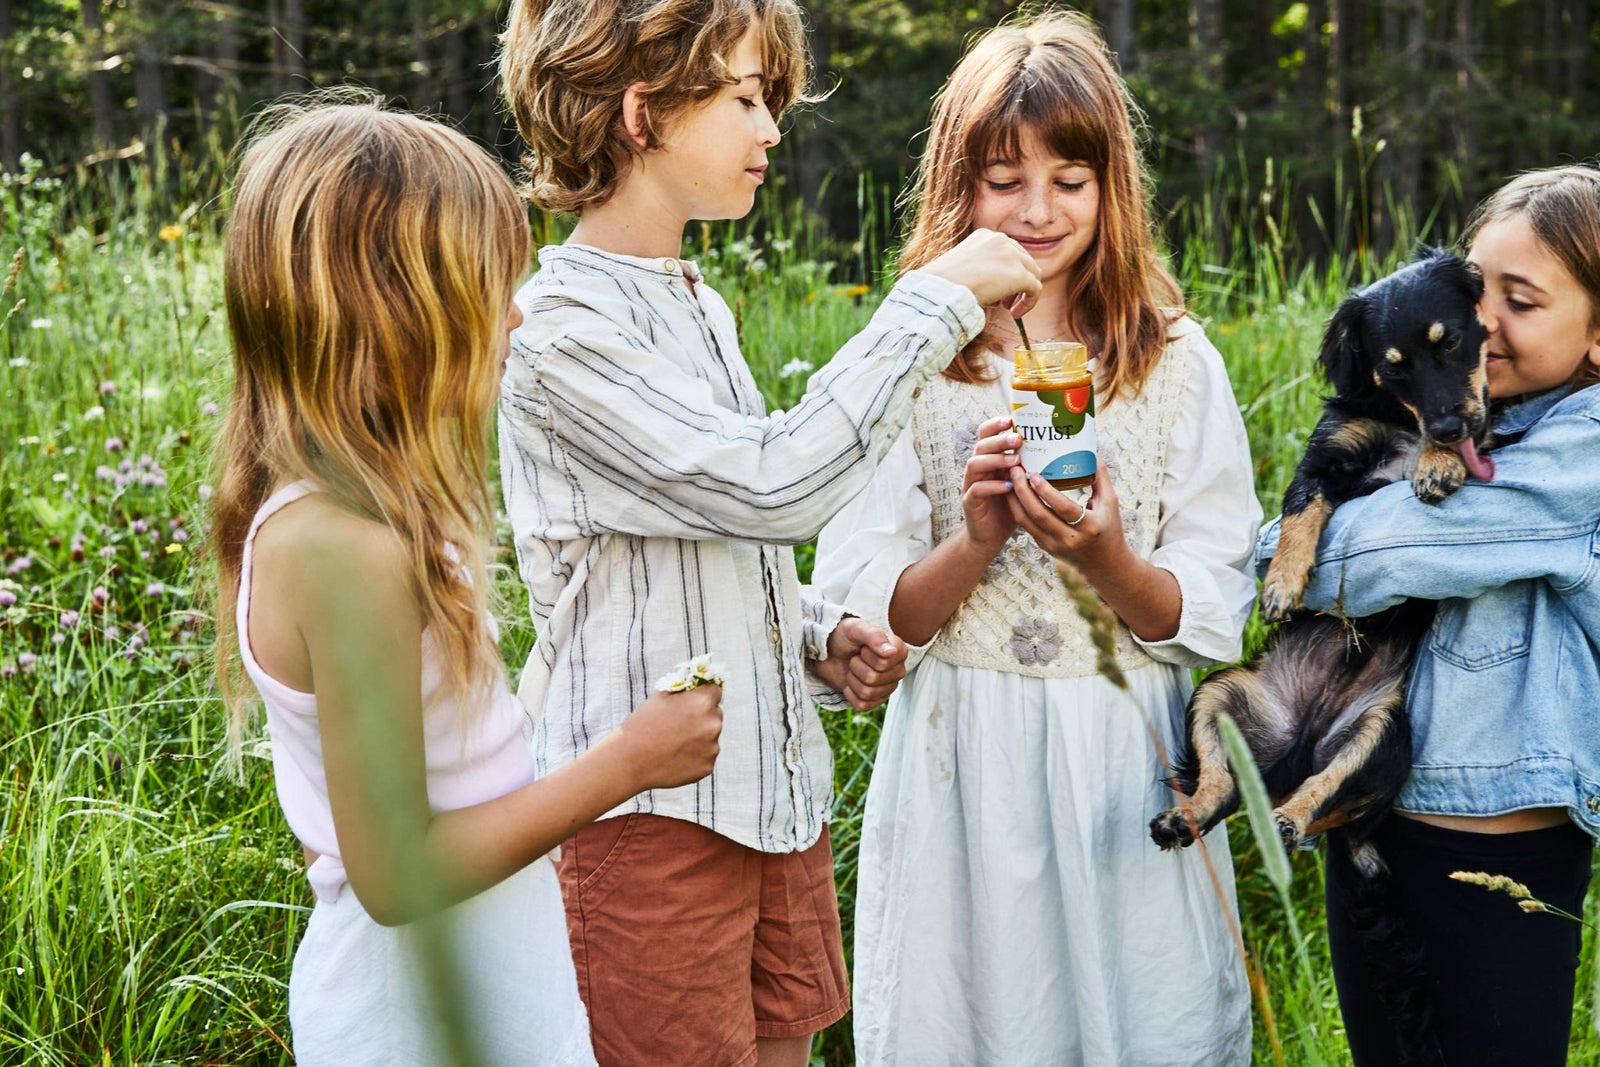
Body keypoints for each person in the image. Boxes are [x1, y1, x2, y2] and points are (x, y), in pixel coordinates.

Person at [494, 2, 1042, 1064]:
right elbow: (769, 488)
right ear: (641, 111)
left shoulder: (697, 303)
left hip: (769, 803)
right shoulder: (562, 333)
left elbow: (695, 547)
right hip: (647, 823)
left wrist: (810, 628)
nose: (771, 131)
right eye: (746, 98)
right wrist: (930, 303)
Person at [210, 100, 730, 1067]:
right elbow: (397, 876)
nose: (519, 310)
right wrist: (625, 762)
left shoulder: (364, 516)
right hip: (416, 1009)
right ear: (400, 311)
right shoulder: (342, 549)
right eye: (493, 284)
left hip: (489, 973)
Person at [812, 11, 1260, 1065]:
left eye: (1069, 176)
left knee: (1137, 1014)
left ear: (1113, 186)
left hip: (1121, 758)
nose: (1037, 208)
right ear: (956, 185)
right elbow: (871, 609)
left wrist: (1104, 556)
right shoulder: (911, 357)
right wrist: (973, 540)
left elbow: (1210, 607)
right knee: (967, 1019)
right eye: (1003, 177)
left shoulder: (1172, 361)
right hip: (959, 758)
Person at [1264, 165, 1600, 1066]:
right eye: (1479, 292)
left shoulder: (1583, 452)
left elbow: (1381, 557)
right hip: (1380, 803)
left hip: (1498, 842)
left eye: (1520, 303)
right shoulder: (1488, 416)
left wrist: (1290, 541)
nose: (1483, 325)